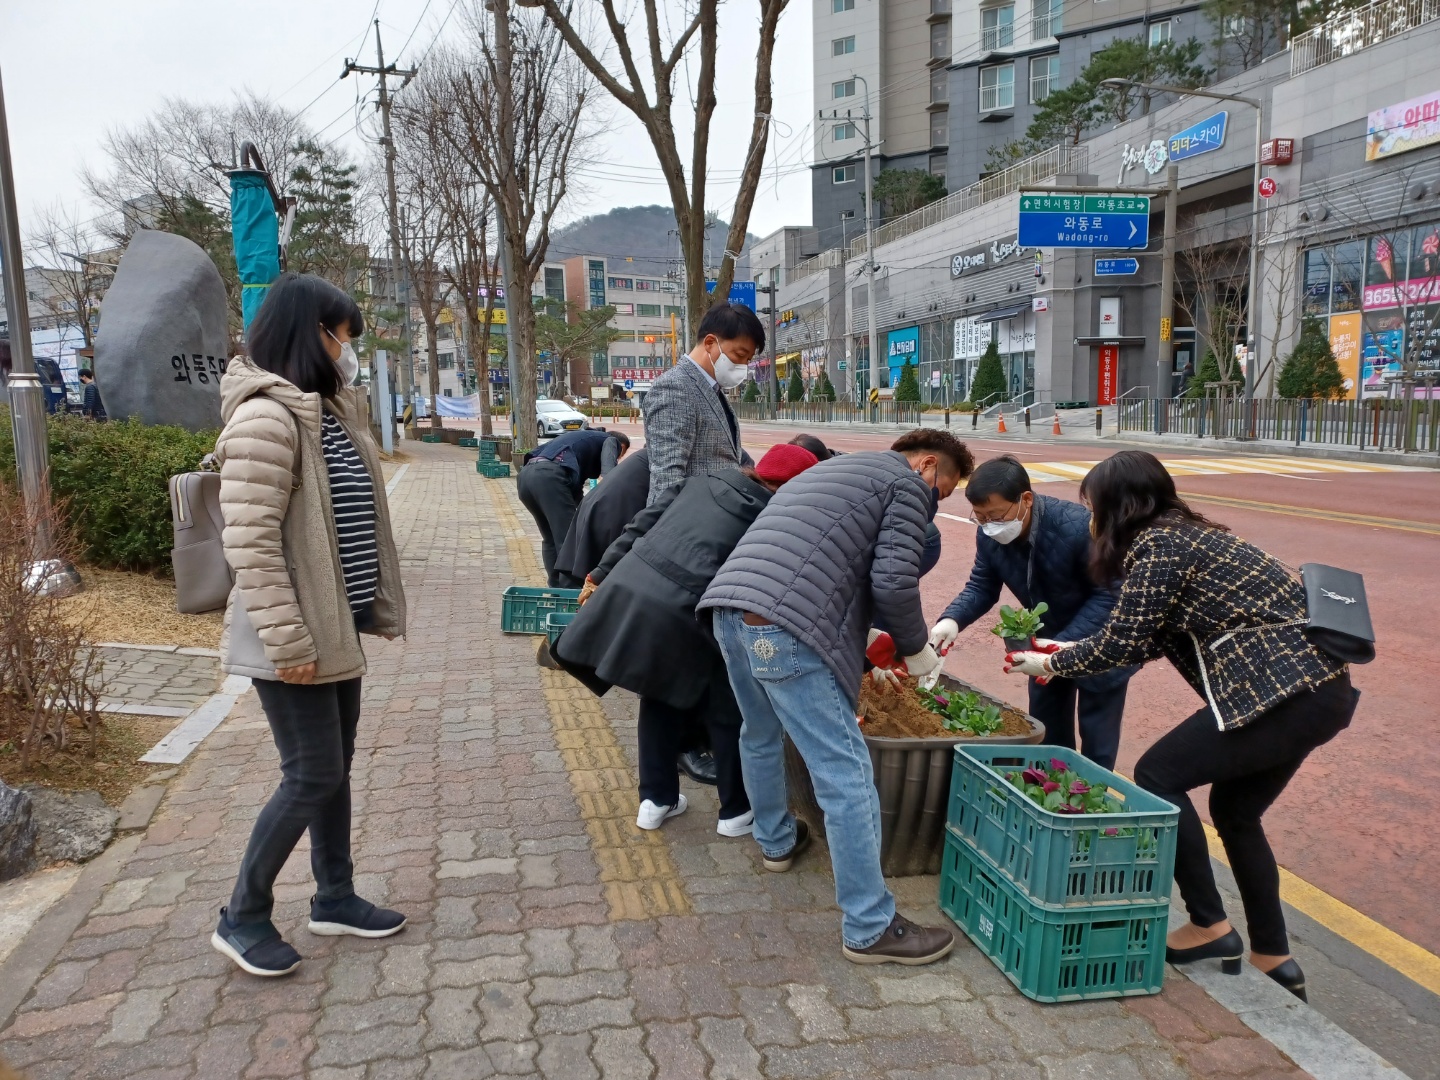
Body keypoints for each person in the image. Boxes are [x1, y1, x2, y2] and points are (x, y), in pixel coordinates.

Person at [1004, 450, 1358, 1001]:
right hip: (1318, 694)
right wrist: (1070, 648)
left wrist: (1049, 662)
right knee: (1235, 813)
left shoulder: (1158, 545)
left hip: (1281, 694)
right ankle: (1273, 956)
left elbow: (1123, 641)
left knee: (1157, 774)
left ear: (1119, 508)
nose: (1091, 520)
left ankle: (1211, 924)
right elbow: (1141, 636)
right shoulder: (1186, 534)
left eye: (1094, 507)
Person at [700, 429, 976, 966]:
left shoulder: (833, 471)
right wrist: (918, 652)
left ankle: (777, 843)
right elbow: (894, 583)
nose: (935, 504)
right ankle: (870, 926)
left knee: (758, 732)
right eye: (942, 492)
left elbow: (835, 574)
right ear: (926, 466)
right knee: (845, 773)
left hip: (730, 609)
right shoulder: (905, 484)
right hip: (780, 625)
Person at [211, 272, 408, 977]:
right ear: (311, 335)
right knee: (311, 772)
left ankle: (335, 896)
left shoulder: (324, 412)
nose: (347, 352)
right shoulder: (267, 418)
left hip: (335, 626)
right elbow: (252, 544)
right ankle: (242, 915)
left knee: (333, 770)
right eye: (342, 338)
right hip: (290, 634)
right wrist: (288, 641)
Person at [556, 442, 822, 834]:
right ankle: (735, 811)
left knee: (660, 694)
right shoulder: (773, 517)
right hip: (692, 610)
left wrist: (599, 572)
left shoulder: (701, 481)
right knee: (728, 706)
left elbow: (640, 525)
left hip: (634, 585)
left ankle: (655, 799)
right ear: (792, 487)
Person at [928, 456, 1133, 769]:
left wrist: (1061, 646)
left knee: (1097, 742)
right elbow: (982, 586)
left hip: (1100, 645)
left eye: (995, 515)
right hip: (1046, 643)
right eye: (980, 517)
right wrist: (950, 620)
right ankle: (1051, 796)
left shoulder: (1078, 527)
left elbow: (1108, 595)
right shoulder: (989, 534)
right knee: (1048, 731)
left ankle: (1091, 805)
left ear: (1026, 499)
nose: (988, 525)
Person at [643, 302, 763, 505]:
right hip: (692, 524)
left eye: (748, 360)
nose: (743, 366)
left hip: (715, 519)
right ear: (710, 342)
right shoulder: (674, 388)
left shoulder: (713, 390)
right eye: (740, 355)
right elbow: (666, 481)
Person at [517, 428, 631, 586]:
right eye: (620, 453)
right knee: (570, 539)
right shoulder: (611, 441)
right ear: (621, 444)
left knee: (550, 538)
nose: (618, 457)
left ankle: (556, 588)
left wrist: (586, 512)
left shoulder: (578, 441)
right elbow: (609, 476)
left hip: (526, 477)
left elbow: (575, 494)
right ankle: (570, 590)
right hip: (549, 477)